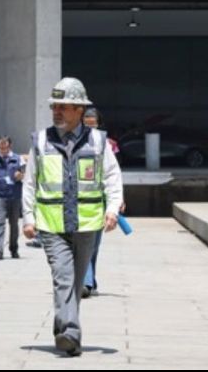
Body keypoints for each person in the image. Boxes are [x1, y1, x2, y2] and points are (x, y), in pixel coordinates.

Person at [22, 77, 123, 357]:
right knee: (63, 276)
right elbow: (30, 182)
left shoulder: (98, 141)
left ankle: (64, 330)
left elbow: (112, 178)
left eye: (63, 107)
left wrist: (112, 209)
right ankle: (71, 330)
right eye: (54, 106)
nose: (57, 112)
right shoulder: (40, 140)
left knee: (77, 282)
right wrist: (28, 218)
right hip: (51, 225)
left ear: (80, 110)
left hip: (87, 225)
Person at [81, 107, 123, 298]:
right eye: (86, 124)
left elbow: (113, 174)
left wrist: (117, 201)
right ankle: (86, 282)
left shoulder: (106, 144)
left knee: (94, 246)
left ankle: (90, 280)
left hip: (99, 203)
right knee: (85, 245)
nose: (90, 128)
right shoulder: (75, 142)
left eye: (93, 124)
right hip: (79, 204)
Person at [0, 136, 24, 260]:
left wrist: (21, 175)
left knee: (14, 223)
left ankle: (13, 248)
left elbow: (26, 175)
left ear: (9, 146)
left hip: (14, 196)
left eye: (4, 147)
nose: (2, 150)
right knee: (0, 221)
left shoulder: (18, 159)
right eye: (0, 147)